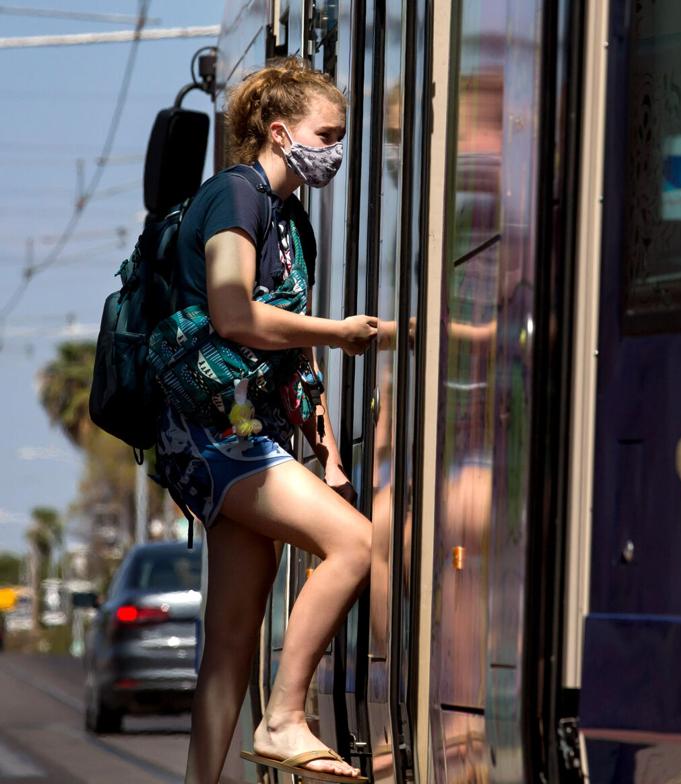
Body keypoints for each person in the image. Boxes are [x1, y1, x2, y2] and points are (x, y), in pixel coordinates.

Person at [153, 57, 376, 783]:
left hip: (245, 433)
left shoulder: (288, 221)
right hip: (217, 435)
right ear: (281, 133)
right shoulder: (236, 198)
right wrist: (344, 332)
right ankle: (284, 718)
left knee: (231, 633)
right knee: (353, 542)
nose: (335, 150)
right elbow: (234, 311)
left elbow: (296, 349)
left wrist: (329, 452)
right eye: (328, 134)